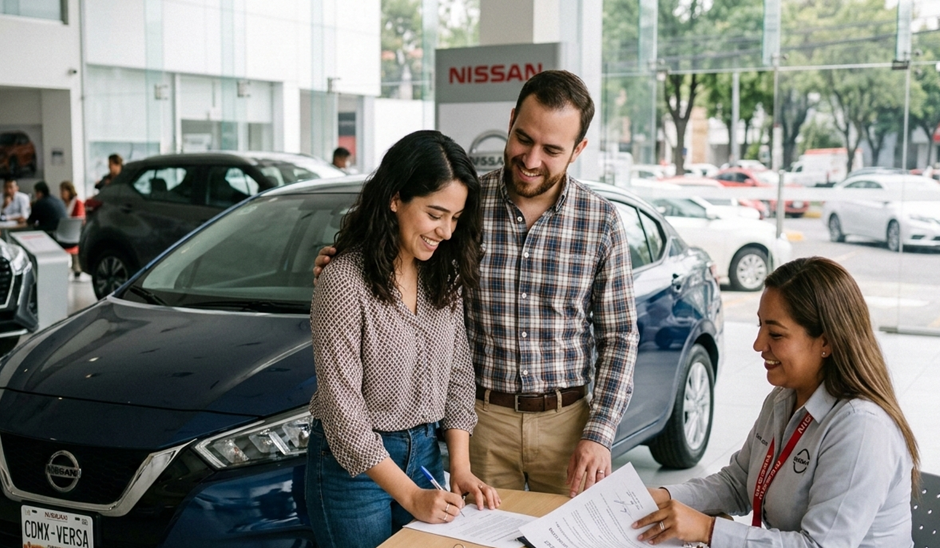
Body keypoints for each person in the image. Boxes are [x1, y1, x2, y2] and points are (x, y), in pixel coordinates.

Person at [316, 70, 638, 498]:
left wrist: (599, 432)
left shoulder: (601, 222)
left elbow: (619, 335)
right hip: (481, 424)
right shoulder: (464, 206)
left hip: (568, 423)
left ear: (578, 149)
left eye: (552, 149)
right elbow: (396, 259)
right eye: (524, 138)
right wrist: (342, 261)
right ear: (510, 122)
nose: (531, 159)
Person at [633, 257, 918, 547]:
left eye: (776, 334)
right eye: (759, 326)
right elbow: (739, 482)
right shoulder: (783, 397)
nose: (758, 344)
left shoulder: (861, 428)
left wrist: (708, 530)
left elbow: (818, 545)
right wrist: (667, 497)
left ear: (826, 342)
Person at [306, 130, 500, 548]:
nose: (446, 231)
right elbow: (343, 412)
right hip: (352, 471)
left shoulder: (442, 275)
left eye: (455, 218)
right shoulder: (343, 281)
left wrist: (461, 468)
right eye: (435, 214)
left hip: (426, 457)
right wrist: (410, 495)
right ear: (395, 199)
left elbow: (458, 375)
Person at [60, 181, 85, 277]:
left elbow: (79, 219)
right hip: (65, 230)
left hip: (74, 231)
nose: (61, 194)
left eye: (63, 191)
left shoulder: (77, 203)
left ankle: (76, 266)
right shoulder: (63, 204)